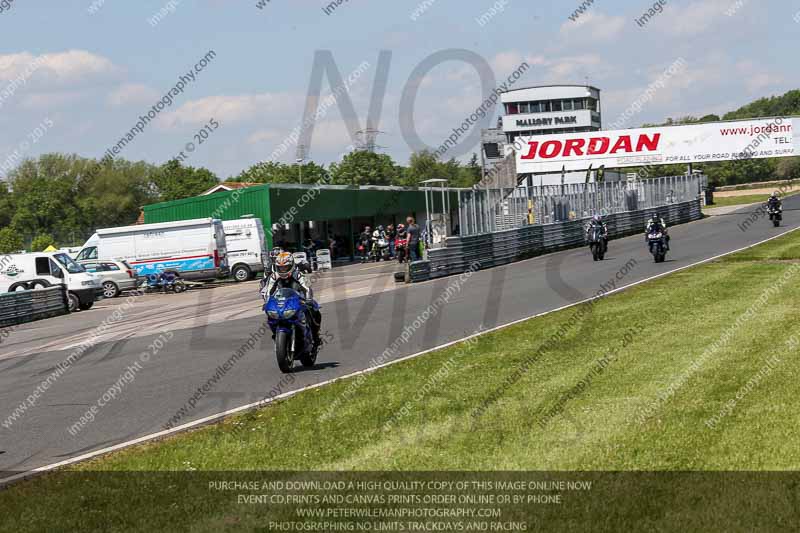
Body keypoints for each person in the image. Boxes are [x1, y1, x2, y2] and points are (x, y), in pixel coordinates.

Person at [260, 251, 321, 348]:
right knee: (270, 314)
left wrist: (308, 299)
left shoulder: (298, 274)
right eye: (280, 267)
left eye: (285, 267)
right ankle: (276, 334)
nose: (283, 270)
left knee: (314, 308)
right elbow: (268, 291)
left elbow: (307, 288)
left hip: (298, 299)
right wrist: (267, 301)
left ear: (291, 265)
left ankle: (315, 336)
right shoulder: (274, 276)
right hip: (281, 301)